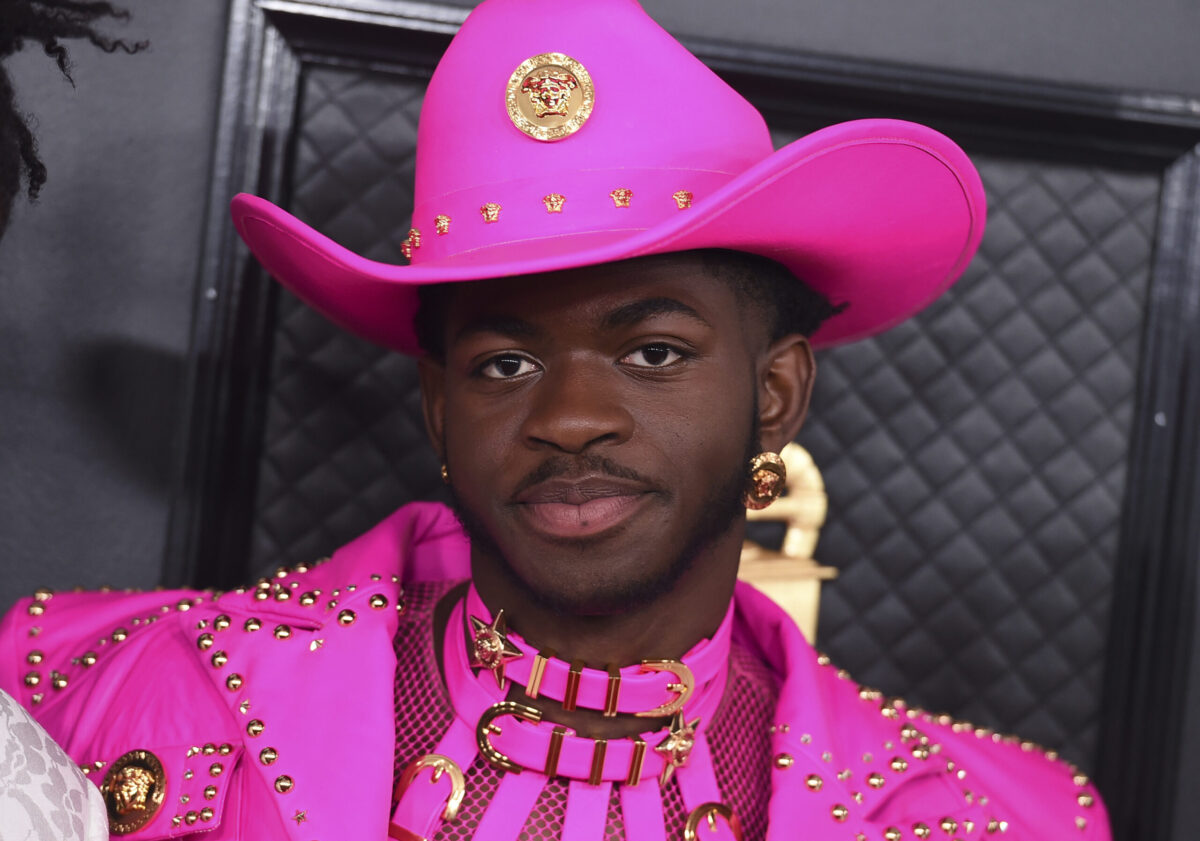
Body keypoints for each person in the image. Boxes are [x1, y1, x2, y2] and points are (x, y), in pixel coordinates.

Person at [0, 0, 1110, 838]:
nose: (571, 417)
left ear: (775, 394)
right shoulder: (94, 691)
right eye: (506, 360)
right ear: (439, 409)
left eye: (654, 351)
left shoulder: (990, 815)